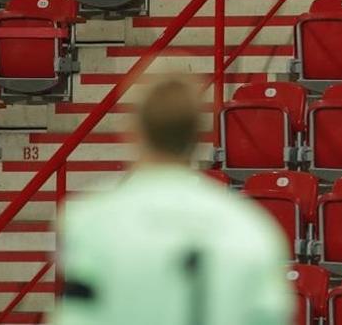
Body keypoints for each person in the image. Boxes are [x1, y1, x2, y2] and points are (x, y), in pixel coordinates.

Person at [49, 73, 294, 325]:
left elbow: (77, 317)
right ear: (196, 135)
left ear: (134, 132)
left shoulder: (91, 219)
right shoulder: (251, 225)